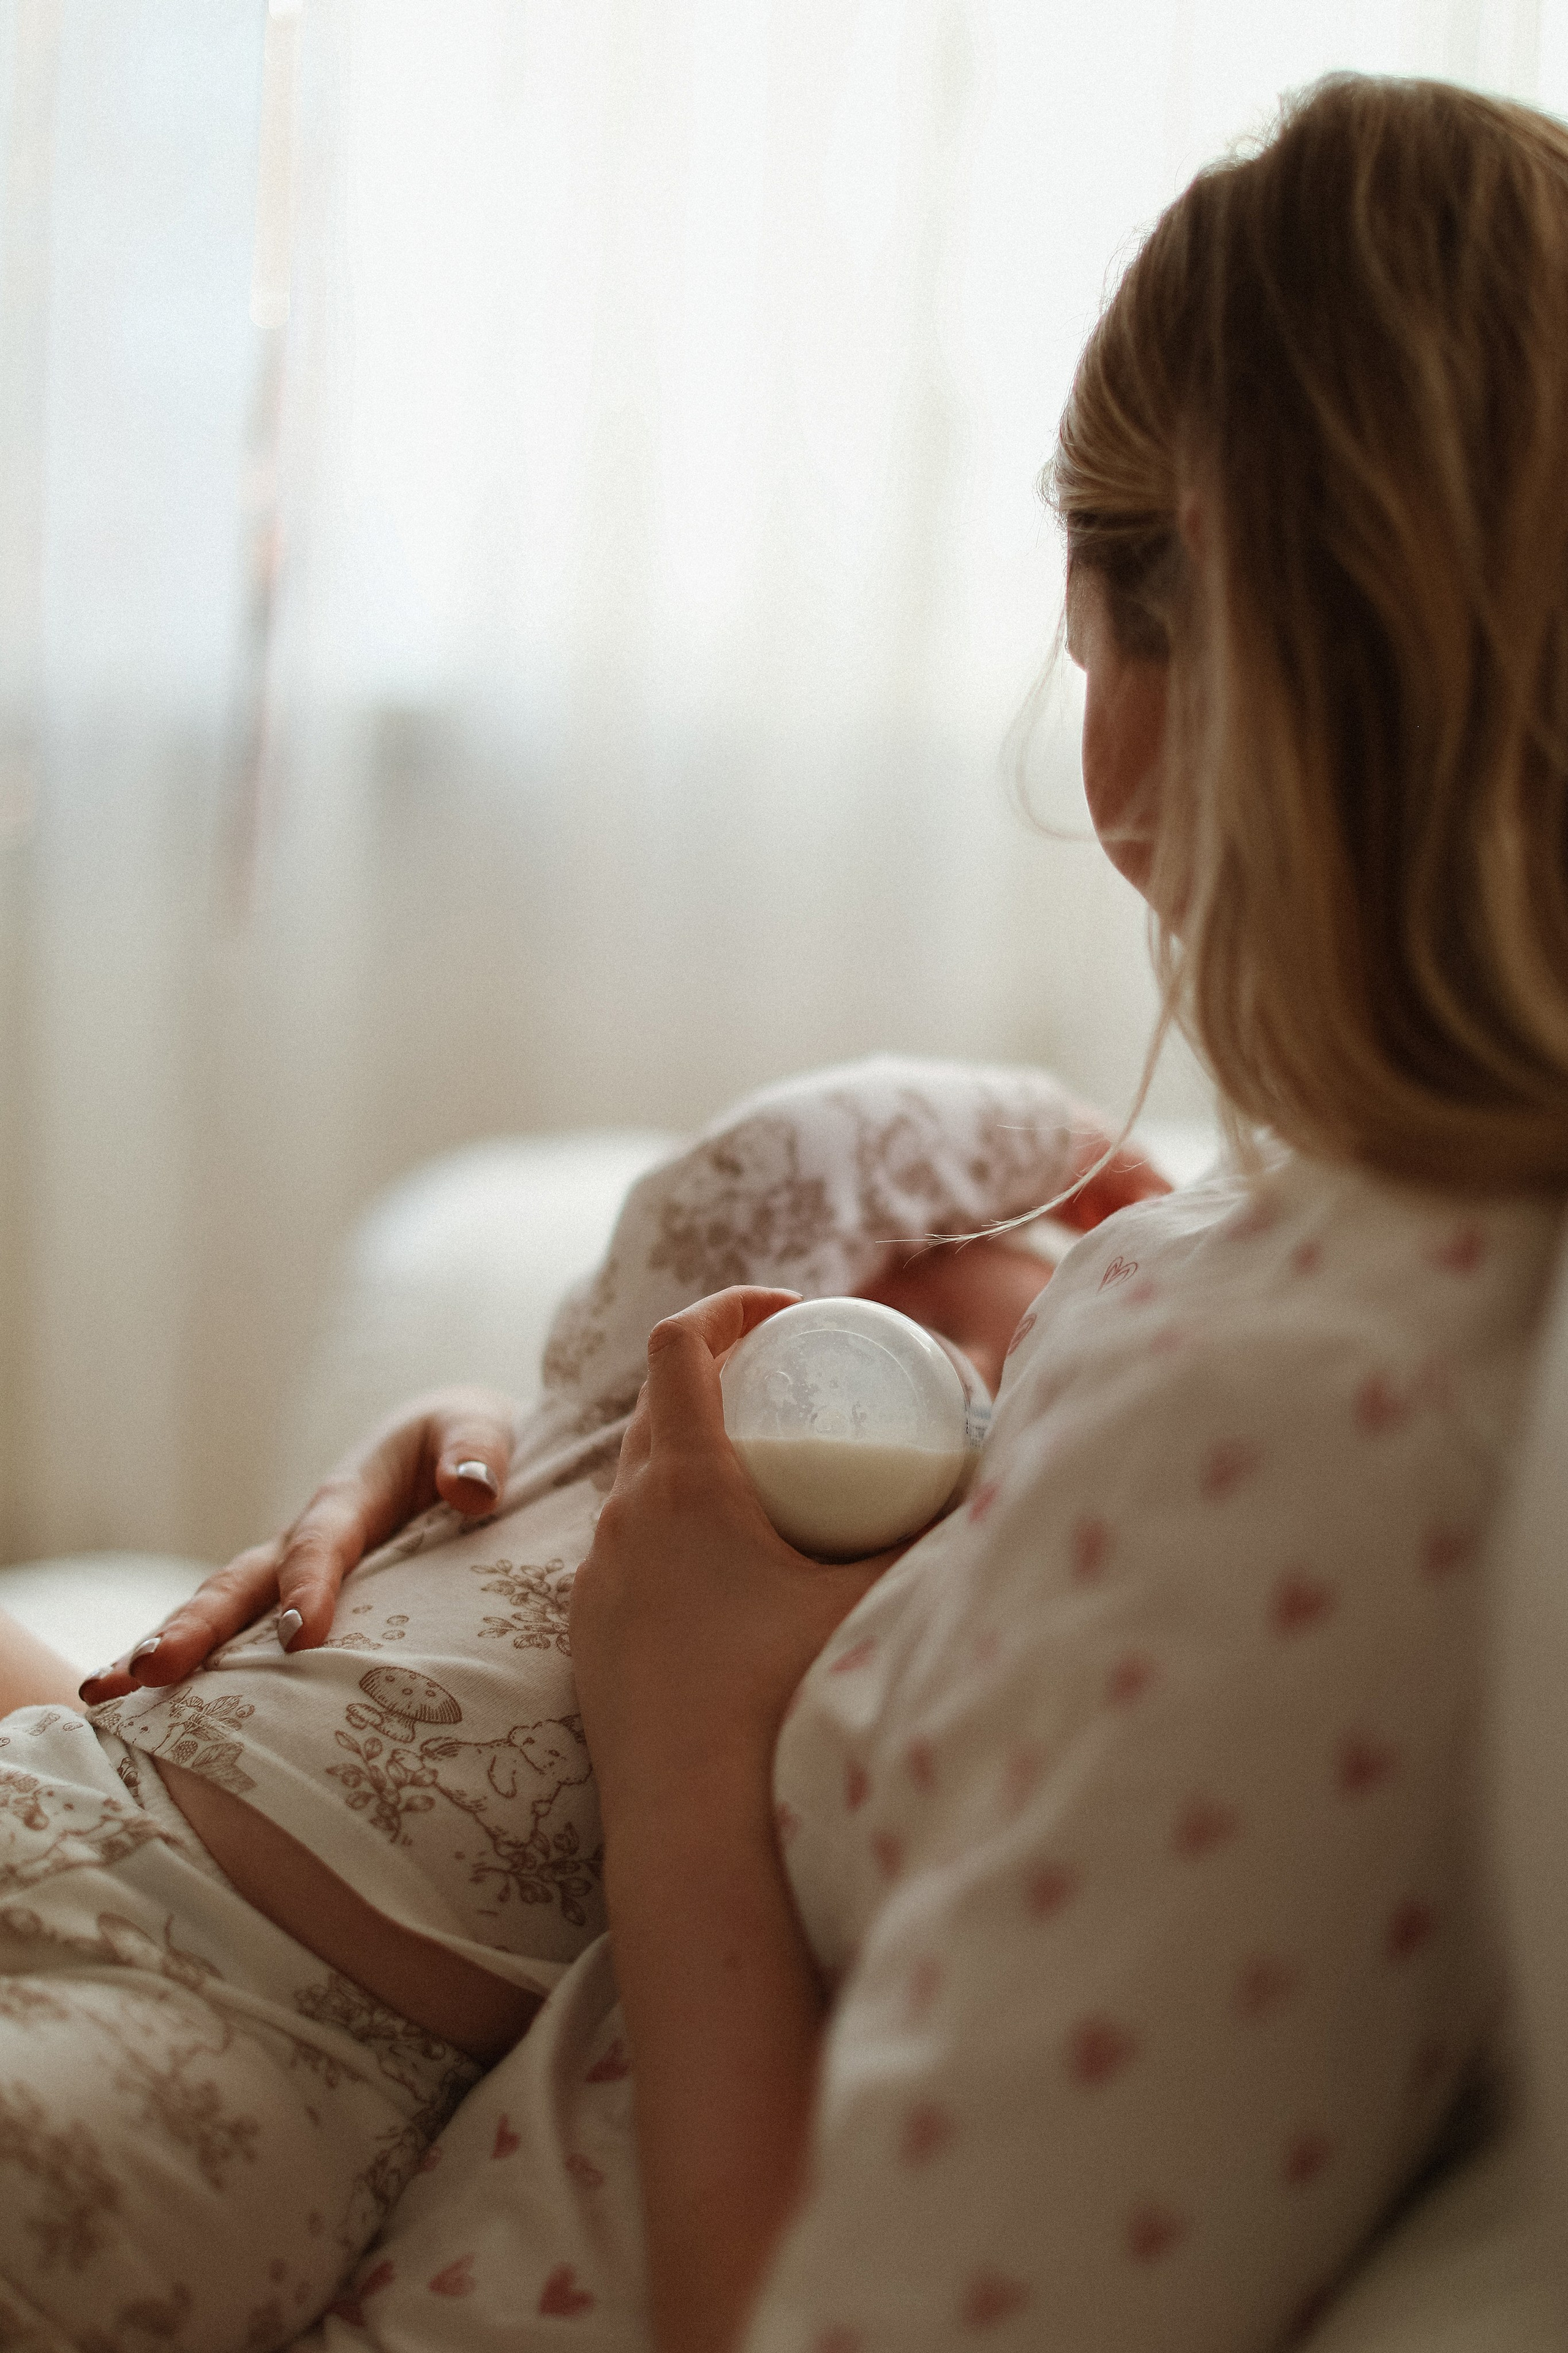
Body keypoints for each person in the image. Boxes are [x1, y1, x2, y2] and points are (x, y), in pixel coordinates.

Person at [7, 64, 1568, 2353]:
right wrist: (507, 1505)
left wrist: (679, 1732)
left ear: (1217, 604)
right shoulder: (1305, 1270)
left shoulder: (1334, 1420)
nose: (1104, 778)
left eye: (1096, 650)